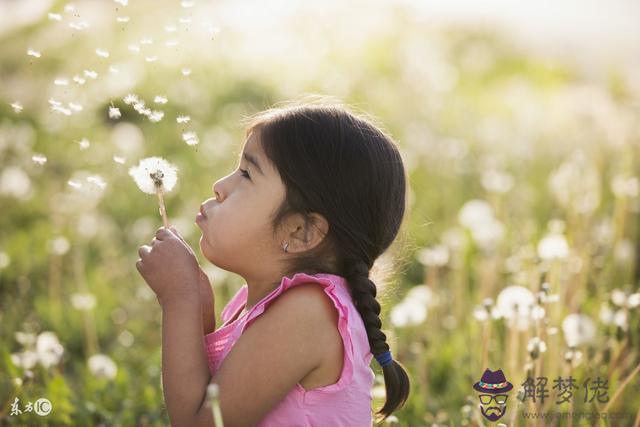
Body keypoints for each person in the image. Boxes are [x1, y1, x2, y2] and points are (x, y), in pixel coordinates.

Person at [135, 95, 411, 426]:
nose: (220, 186)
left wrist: (178, 298)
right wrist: (199, 316)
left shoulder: (308, 313)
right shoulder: (278, 304)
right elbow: (219, 395)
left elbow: (200, 422)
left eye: (247, 174)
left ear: (301, 232)